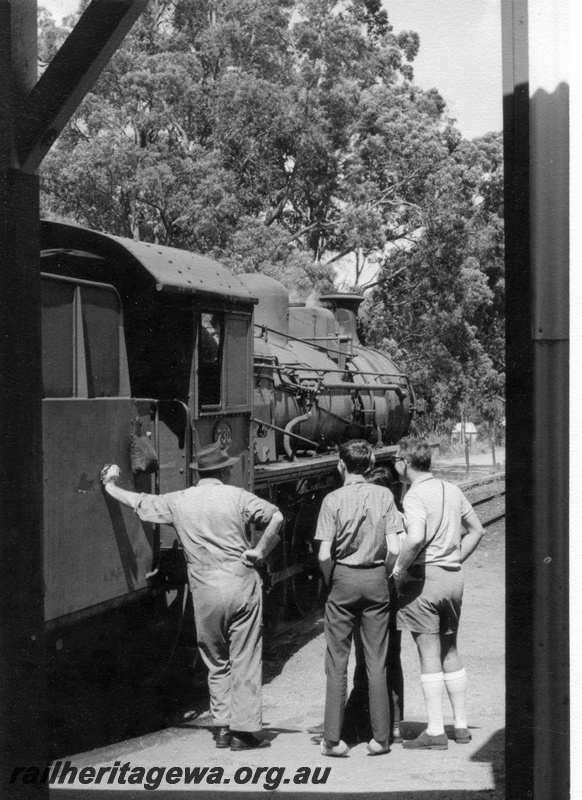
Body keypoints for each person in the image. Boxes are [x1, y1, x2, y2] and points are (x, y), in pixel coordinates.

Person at [100, 441, 283, 752]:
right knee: (245, 657)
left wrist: (110, 484)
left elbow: (139, 503)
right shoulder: (238, 497)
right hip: (240, 582)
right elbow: (275, 517)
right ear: (225, 471)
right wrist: (259, 551)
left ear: (200, 473)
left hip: (205, 587)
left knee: (215, 659)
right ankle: (245, 732)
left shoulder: (180, 500)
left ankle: (222, 727)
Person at [391, 437, 485, 750]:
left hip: (425, 582)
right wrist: (455, 559)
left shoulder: (415, 496)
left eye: (395, 460)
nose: (394, 465)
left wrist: (400, 570)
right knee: (450, 649)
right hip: (453, 580)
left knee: (428, 653)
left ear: (405, 463)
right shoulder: (452, 489)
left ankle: (434, 730)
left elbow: (415, 537)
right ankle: (460, 726)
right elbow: (477, 530)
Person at [315, 440, 404, 757]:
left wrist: (332, 578)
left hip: (343, 579)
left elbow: (325, 553)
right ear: (369, 467)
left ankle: (333, 741)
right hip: (377, 578)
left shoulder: (331, 500)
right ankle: (380, 739)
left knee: (336, 662)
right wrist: (386, 575)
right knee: (376, 661)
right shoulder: (384, 495)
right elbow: (395, 548)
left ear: (341, 464)